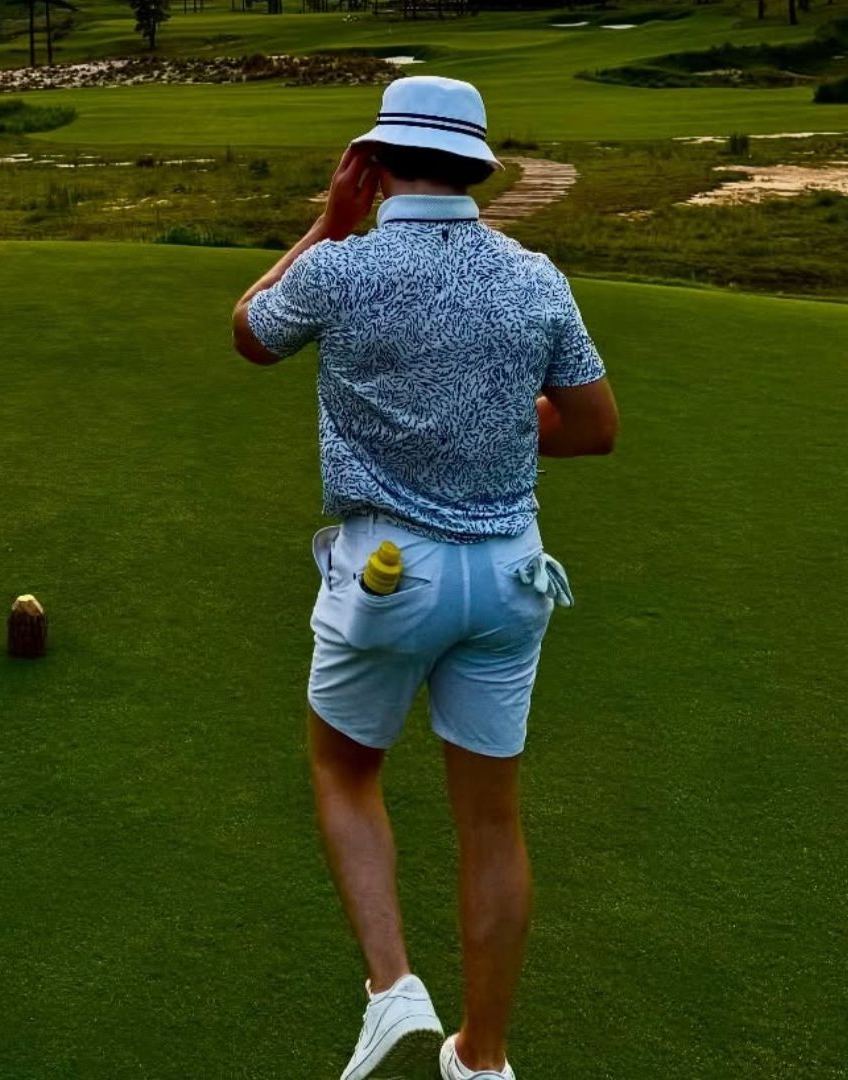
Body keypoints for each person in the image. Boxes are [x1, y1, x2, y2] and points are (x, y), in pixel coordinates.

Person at [231, 76, 619, 1080]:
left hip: (389, 574)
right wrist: (501, 429)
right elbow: (593, 428)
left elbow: (249, 331)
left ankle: (393, 984)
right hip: (512, 575)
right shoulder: (536, 278)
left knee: (344, 770)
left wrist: (327, 222)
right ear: (477, 167)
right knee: (490, 822)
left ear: (372, 162)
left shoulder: (341, 268)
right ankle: (482, 1060)